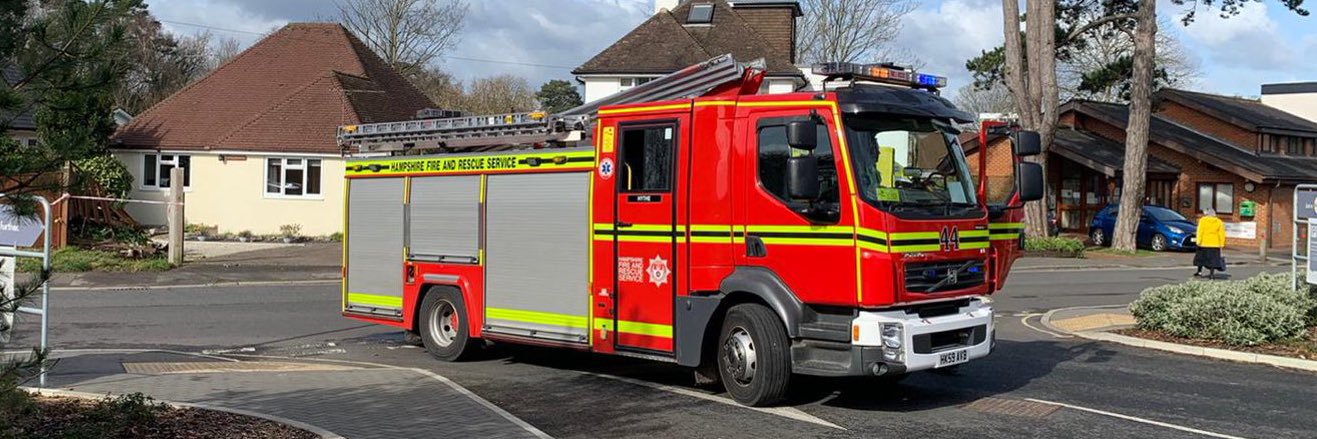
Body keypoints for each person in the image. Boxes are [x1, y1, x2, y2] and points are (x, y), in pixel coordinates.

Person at [1194, 208, 1226, 278]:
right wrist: (1222, 244)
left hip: (1204, 243)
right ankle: (1211, 274)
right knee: (1213, 260)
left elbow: (1200, 231)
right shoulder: (1219, 222)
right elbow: (1222, 233)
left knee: (1200, 259)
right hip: (1215, 244)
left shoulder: (1203, 220)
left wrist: (1198, 241)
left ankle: (1199, 272)